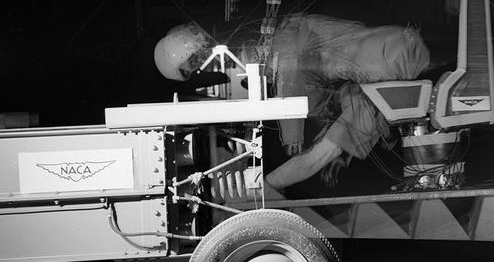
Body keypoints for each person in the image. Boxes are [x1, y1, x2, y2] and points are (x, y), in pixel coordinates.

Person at [154, 15, 431, 191]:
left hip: (398, 60)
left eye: (196, 61)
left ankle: (260, 191)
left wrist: (288, 143)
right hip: (393, 54)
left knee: (318, 154)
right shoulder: (295, 35)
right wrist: (340, 155)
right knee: (325, 149)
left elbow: (293, 75)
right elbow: (317, 96)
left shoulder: (291, 49)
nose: (203, 65)